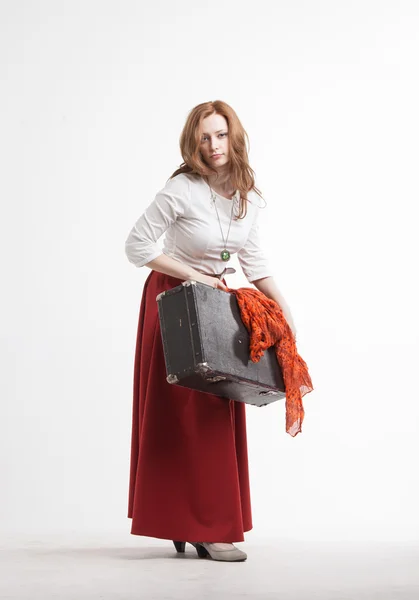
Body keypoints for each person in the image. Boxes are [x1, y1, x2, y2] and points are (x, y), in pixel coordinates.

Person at [124, 100, 297, 562]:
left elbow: (254, 262)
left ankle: (202, 523)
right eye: (204, 137)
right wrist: (196, 277)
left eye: (221, 135)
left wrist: (286, 313)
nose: (214, 145)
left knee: (215, 415)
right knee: (180, 418)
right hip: (174, 304)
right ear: (193, 142)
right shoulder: (180, 190)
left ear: (234, 137)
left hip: (217, 307)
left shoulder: (246, 196)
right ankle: (201, 527)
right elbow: (136, 245)